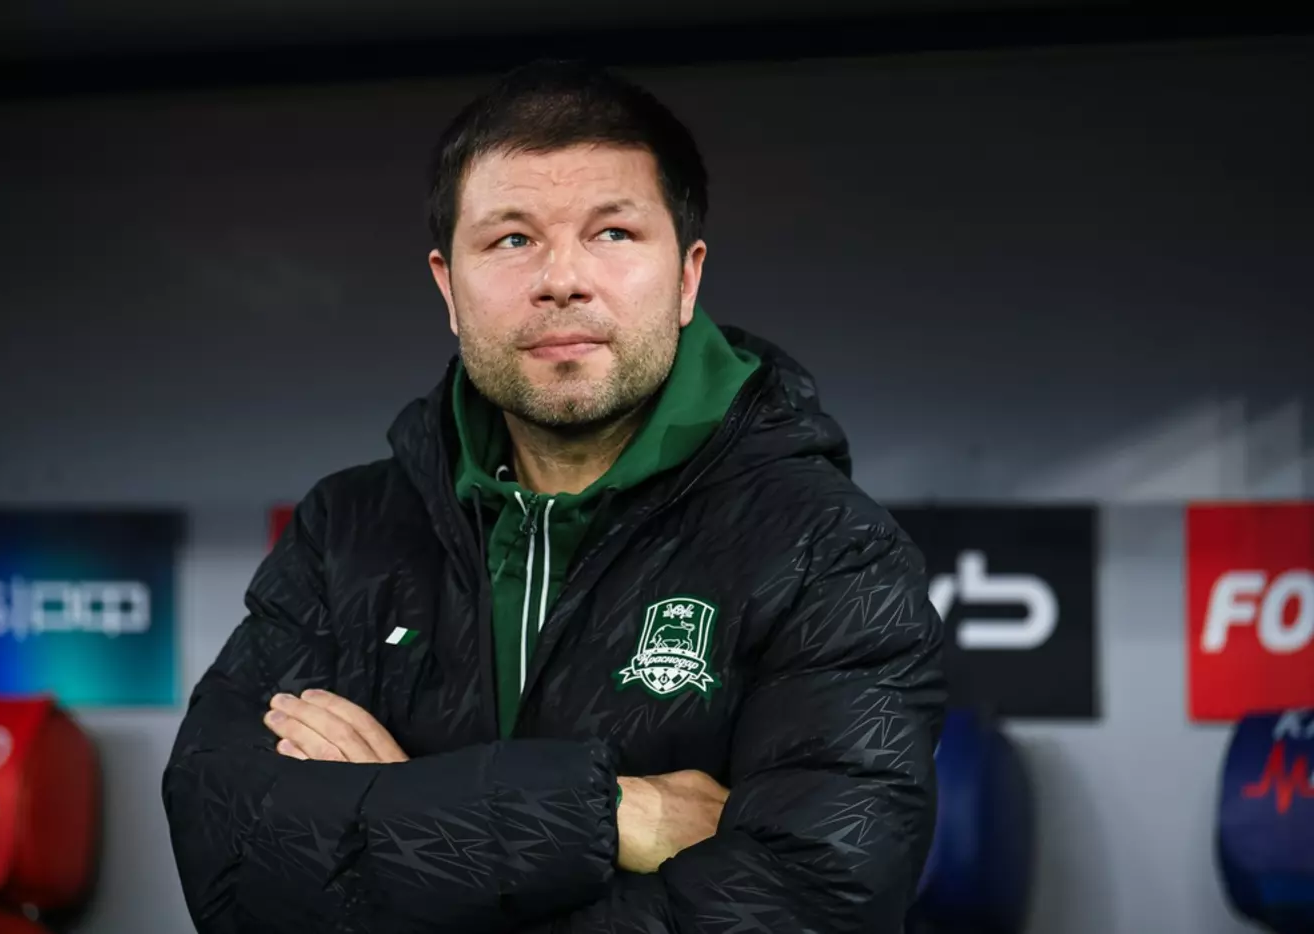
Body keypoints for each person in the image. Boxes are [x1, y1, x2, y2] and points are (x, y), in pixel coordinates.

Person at [162, 58, 946, 933]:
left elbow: (812, 906)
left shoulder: (830, 550)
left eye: (612, 232)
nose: (562, 278)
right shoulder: (345, 531)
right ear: (447, 286)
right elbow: (230, 859)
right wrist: (607, 812)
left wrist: (391, 807)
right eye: (511, 240)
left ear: (687, 278)